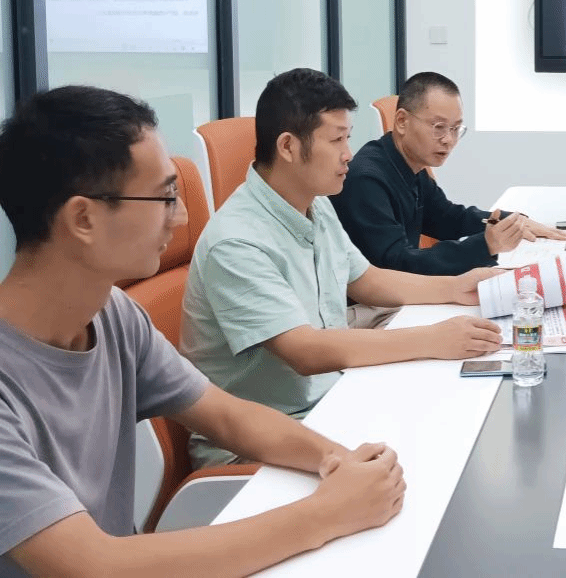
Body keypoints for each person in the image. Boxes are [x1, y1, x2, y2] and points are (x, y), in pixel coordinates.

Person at [0, 85, 405, 578]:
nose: (183, 217)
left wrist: (340, 463)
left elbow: (228, 417)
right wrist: (328, 513)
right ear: (83, 218)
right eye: (165, 197)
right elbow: (94, 565)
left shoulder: (114, 315)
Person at [181, 69, 502, 468]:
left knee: (449, 414)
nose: (349, 153)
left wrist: (456, 287)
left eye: (348, 138)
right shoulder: (237, 241)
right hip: (259, 447)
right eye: (337, 140)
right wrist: (433, 339)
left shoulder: (315, 204)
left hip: (328, 405)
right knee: (434, 449)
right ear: (288, 147)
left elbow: (367, 279)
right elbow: (304, 352)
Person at [331, 71, 566, 276]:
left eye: (456, 129)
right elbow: (396, 264)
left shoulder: (410, 164)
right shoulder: (367, 180)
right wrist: (486, 245)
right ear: (402, 121)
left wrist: (509, 222)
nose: (448, 140)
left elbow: (447, 218)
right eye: (439, 127)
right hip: (372, 305)